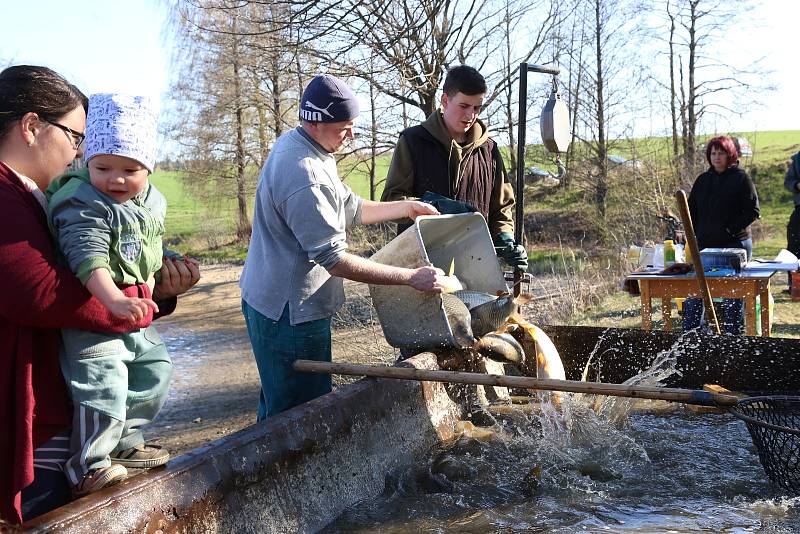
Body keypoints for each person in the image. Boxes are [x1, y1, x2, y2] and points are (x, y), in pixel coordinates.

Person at [0, 66, 199, 524]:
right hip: (25, 424)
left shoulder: (36, 195)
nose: (79, 151)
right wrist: (132, 307)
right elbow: (38, 292)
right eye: (76, 137)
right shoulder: (2, 195)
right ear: (32, 127)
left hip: (48, 415)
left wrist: (156, 292)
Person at [240, 74, 448, 421]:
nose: (351, 135)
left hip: (271, 300)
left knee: (278, 402)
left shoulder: (307, 147)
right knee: (297, 418)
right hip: (290, 314)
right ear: (315, 120)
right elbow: (334, 260)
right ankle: (291, 476)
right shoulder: (305, 173)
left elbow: (350, 207)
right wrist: (412, 277)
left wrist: (407, 206)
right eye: (344, 127)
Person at [46, 93, 197, 497]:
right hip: (94, 319)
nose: (115, 179)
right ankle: (88, 465)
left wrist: (170, 264)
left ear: (149, 166)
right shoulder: (82, 200)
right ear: (86, 162)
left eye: (130, 169)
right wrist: (113, 299)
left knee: (156, 369)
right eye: (103, 167)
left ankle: (125, 443)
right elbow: (87, 253)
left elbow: (147, 245)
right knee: (103, 385)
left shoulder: (151, 202)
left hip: (135, 315)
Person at [380, 65, 527, 271]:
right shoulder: (413, 141)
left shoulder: (489, 150)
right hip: (420, 266)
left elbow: (501, 209)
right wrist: (432, 206)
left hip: (475, 266)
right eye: (464, 106)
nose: (471, 115)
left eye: (477, 108)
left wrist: (506, 239)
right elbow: (390, 201)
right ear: (445, 100)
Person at [683, 135, 760, 334]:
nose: (717, 157)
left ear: (730, 154)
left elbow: (753, 211)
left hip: (734, 246)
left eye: (721, 153)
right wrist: (690, 233)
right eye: (713, 153)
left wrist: (728, 230)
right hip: (705, 247)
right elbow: (691, 211)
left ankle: (732, 337)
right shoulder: (703, 180)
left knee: (731, 294)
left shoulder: (741, 178)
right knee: (696, 292)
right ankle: (689, 336)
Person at [784, 150, 800, 291]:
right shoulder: (797, 159)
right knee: (793, 247)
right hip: (799, 209)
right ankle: (794, 285)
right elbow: (788, 181)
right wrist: (796, 185)